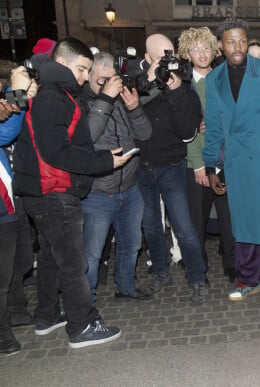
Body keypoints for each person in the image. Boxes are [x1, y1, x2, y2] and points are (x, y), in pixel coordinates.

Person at [13, 37, 128, 348]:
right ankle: (81, 326)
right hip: (53, 190)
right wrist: (105, 161)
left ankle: (47, 316)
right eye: (81, 69)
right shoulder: (53, 97)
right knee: (74, 263)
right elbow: (56, 152)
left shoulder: (53, 93)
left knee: (51, 257)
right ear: (61, 62)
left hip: (44, 191)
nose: (83, 77)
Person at [202, 18, 260, 309]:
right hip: (237, 163)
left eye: (242, 40)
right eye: (230, 41)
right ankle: (248, 279)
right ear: (221, 45)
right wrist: (210, 166)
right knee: (241, 225)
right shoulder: (214, 79)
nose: (237, 47)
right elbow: (214, 125)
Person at [135, 33, 207, 304]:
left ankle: (197, 279)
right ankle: (161, 273)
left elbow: (188, 133)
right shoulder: (136, 85)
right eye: (160, 57)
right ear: (147, 59)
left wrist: (174, 91)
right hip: (141, 167)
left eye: (170, 55)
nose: (167, 61)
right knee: (151, 227)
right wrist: (149, 82)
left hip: (172, 167)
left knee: (183, 226)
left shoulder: (183, 88)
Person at [81, 52, 152, 303]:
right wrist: (105, 98)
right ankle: (85, 303)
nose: (108, 84)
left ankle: (125, 287)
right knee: (92, 253)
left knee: (131, 244)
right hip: (99, 192)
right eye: (101, 80)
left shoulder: (121, 98)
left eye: (112, 79)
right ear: (88, 76)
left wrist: (134, 109)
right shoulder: (82, 102)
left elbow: (144, 134)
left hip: (130, 187)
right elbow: (88, 136)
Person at [177, 27, 236, 284]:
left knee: (230, 219)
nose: (202, 53)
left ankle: (234, 267)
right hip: (198, 164)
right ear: (187, 53)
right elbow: (184, 131)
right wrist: (199, 165)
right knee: (197, 223)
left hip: (226, 162)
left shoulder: (226, 79)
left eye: (206, 48)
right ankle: (198, 271)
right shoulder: (182, 85)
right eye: (196, 49)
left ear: (215, 51)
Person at [0, 66, 38, 355]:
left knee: (20, 259)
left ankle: (16, 310)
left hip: (8, 195)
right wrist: (20, 96)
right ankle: (3, 333)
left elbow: (7, 130)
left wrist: (18, 100)